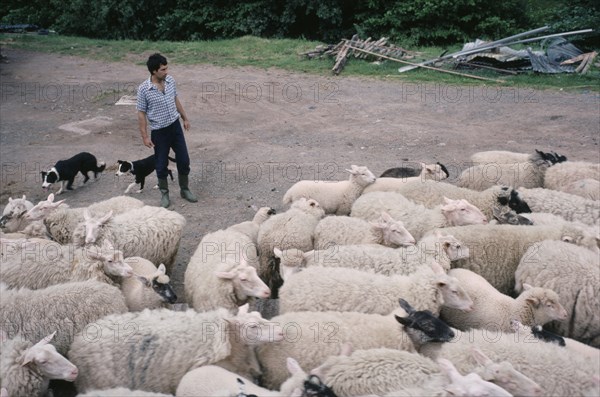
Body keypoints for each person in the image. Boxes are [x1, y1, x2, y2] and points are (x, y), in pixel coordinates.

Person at [137, 53, 198, 208]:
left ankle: (184, 189)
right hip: (159, 132)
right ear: (153, 71)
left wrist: (185, 118)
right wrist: (145, 136)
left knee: (184, 160)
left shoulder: (170, 81)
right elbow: (141, 113)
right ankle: (164, 194)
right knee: (161, 164)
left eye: (167, 68)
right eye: (163, 69)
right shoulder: (144, 89)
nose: (167, 72)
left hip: (175, 128)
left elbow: (175, 99)